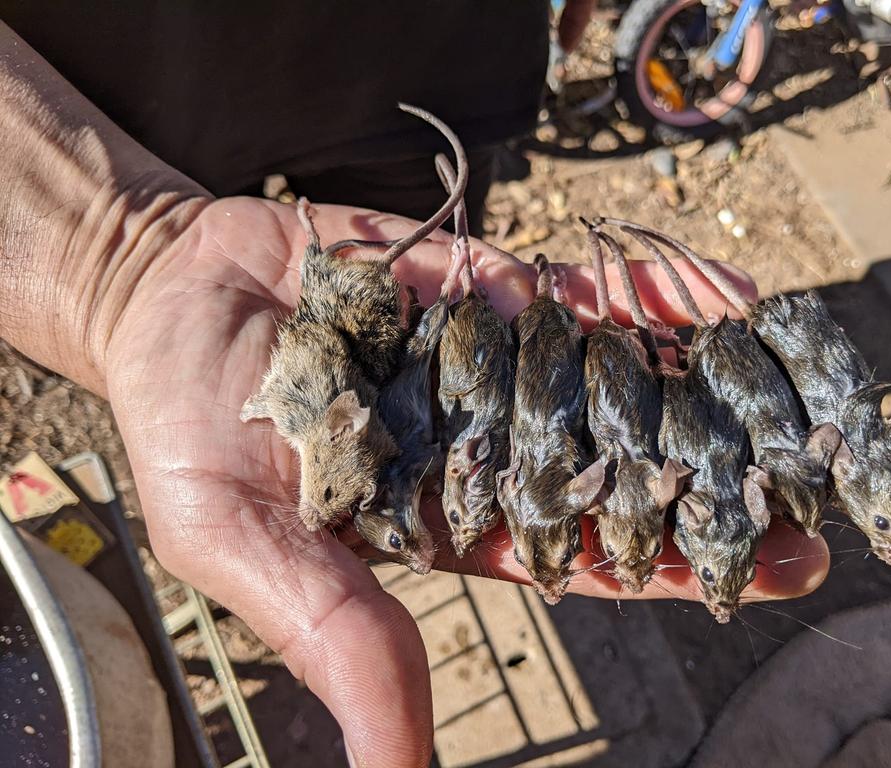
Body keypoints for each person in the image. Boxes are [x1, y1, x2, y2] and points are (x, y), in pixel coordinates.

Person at [0, 10, 827, 768]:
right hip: (125, 93)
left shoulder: (392, 441)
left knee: (437, 238)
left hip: (437, 50)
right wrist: (118, 247)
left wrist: (126, 250)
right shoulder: (384, 443)